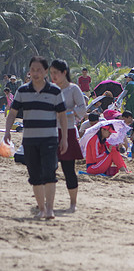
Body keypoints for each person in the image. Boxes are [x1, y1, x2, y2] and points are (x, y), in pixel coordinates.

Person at [4, 56, 70, 220]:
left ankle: (49, 209)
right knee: (35, 176)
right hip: (30, 140)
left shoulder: (54, 91)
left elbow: (62, 116)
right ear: (29, 71)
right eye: (32, 69)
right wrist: (6, 132)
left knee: (49, 174)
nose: (35, 73)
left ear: (46, 71)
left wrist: (65, 138)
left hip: (49, 138)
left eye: (39, 70)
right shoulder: (22, 91)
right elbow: (12, 113)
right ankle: (41, 208)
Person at [50, 59, 86, 212]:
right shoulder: (50, 89)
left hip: (68, 130)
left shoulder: (73, 89)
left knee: (68, 169)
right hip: (50, 131)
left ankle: (73, 203)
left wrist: (67, 113)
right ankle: (47, 201)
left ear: (64, 73)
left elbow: (83, 108)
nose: (53, 76)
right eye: (51, 73)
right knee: (49, 169)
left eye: (56, 73)